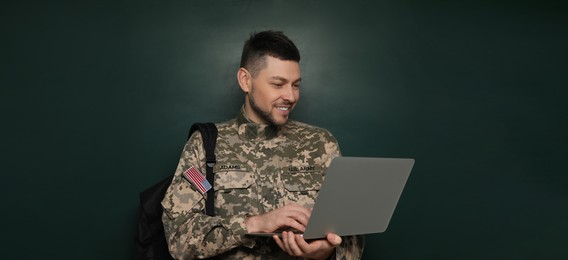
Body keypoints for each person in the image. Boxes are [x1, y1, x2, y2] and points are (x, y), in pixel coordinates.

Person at [161, 30, 364, 259]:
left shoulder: (322, 144)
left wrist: (326, 251)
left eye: (296, 85)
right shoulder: (205, 146)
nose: (290, 96)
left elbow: (352, 235)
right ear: (245, 80)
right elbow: (179, 238)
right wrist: (256, 223)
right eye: (278, 84)